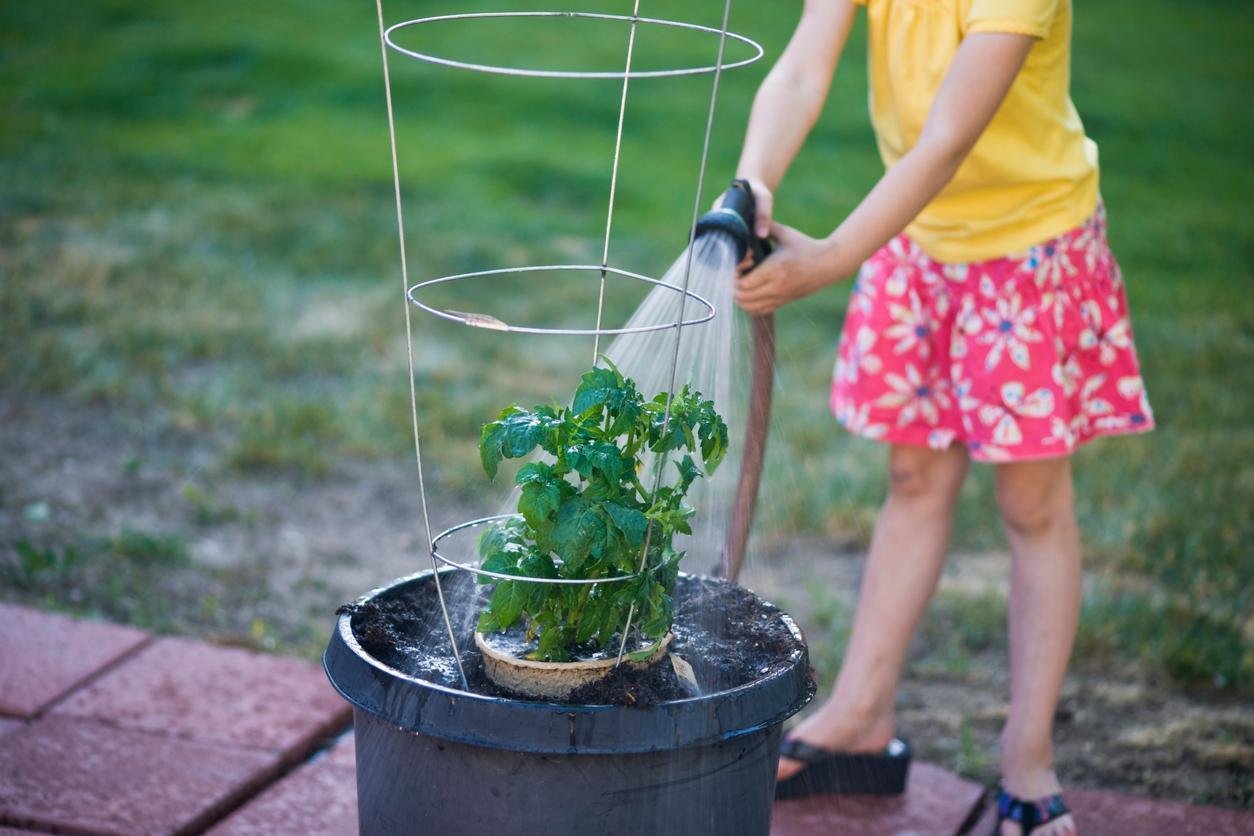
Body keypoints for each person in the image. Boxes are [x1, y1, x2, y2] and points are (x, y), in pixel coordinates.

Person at [730, 2, 1154, 834]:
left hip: (1029, 255)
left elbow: (947, 139)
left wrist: (831, 259)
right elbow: (803, 67)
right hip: (918, 242)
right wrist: (754, 183)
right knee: (914, 476)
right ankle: (860, 716)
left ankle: (1027, 762)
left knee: (1032, 505)